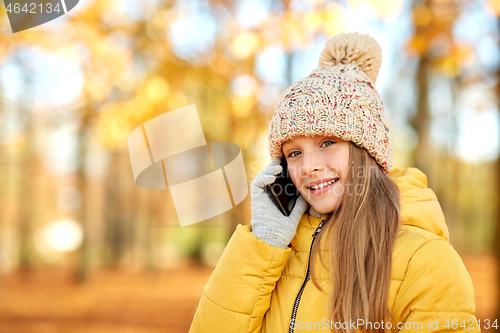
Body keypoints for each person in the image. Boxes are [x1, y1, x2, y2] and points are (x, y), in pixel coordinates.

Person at [188, 32, 479, 333]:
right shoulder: (274, 256)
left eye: (327, 142)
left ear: (367, 152)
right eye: (295, 153)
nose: (309, 167)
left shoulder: (426, 261)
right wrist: (264, 241)